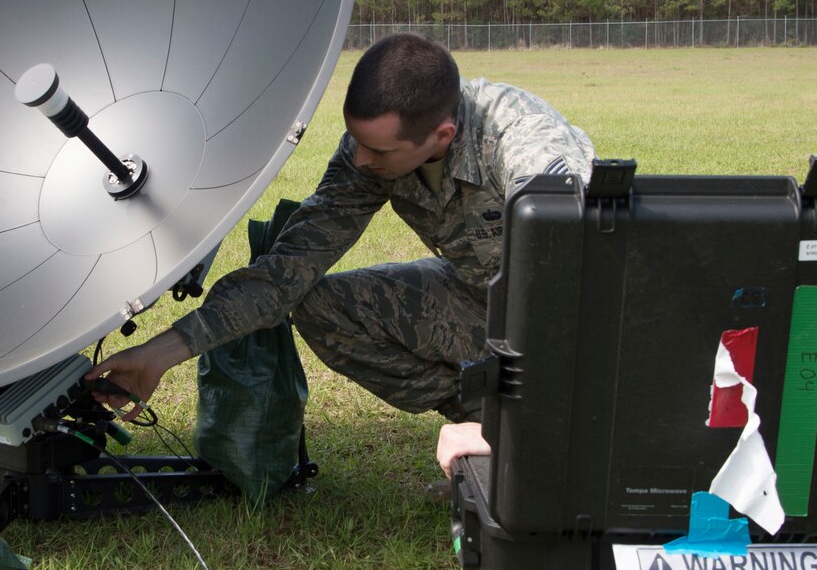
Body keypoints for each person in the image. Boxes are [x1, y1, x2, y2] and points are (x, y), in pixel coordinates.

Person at [87, 32, 595, 480]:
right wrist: (159, 355)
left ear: (442, 136)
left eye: (379, 151)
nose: (360, 160)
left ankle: (532, 440)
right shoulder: (367, 153)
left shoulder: (522, 140)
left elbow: (588, 278)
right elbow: (287, 273)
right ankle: (490, 426)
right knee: (321, 303)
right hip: (483, 300)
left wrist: (523, 429)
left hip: (579, 326)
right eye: (355, 140)